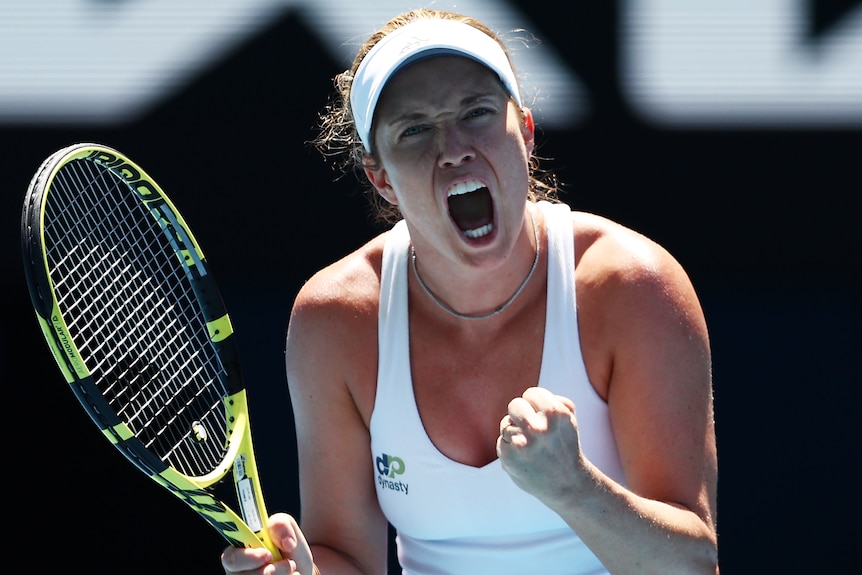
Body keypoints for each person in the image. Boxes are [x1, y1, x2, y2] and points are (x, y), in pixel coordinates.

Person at [221, 8, 718, 575]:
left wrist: (575, 489)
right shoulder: (336, 318)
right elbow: (348, 557)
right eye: (415, 129)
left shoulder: (631, 287)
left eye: (476, 113)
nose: (453, 147)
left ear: (525, 132)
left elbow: (693, 566)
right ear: (379, 178)